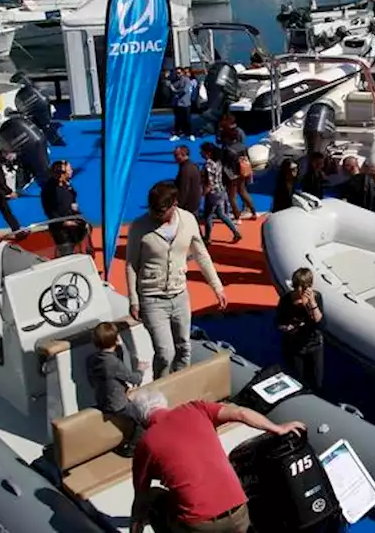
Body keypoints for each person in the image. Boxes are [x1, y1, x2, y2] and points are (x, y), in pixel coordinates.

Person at [128, 389, 305, 533]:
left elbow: (141, 496)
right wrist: (277, 428)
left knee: (153, 496)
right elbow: (241, 413)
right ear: (164, 404)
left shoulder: (146, 443)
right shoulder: (196, 408)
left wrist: (135, 527)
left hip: (200, 526)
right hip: (239, 516)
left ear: (141, 419)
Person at [126, 181, 226, 377]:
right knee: (165, 353)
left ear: (174, 204)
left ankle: (181, 391)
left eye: (161, 211)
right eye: (153, 211)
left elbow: (201, 255)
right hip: (152, 298)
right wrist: (134, 299)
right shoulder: (139, 227)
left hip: (180, 295)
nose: (156, 216)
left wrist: (217, 287)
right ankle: (160, 390)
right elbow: (131, 264)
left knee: (184, 348)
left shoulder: (188, 220)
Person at [86, 321, 149, 457]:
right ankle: (131, 448)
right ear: (116, 340)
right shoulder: (113, 363)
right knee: (142, 419)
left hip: (102, 399)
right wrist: (140, 369)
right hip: (117, 404)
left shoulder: (92, 360)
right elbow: (135, 379)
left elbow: (94, 381)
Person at [275, 268, 325, 391]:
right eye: (296, 287)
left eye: (302, 288)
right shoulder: (286, 300)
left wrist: (312, 304)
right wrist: (287, 328)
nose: (298, 291)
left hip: (313, 345)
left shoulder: (316, 298)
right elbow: (278, 322)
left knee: (316, 382)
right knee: (296, 379)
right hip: (293, 346)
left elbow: (320, 323)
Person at [42, 160, 91, 256]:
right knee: (66, 254)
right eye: (69, 170)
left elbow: (73, 203)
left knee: (77, 251)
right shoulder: (50, 189)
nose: (71, 171)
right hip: (61, 230)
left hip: (73, 227)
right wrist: (63, 222)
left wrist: (78, 217)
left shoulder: (67, 185)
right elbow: (49, 210)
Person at [199, 143, 243, 244]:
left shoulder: (208, 165)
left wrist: (202, 194)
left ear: (208, 153)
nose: (200, 153)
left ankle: (208, 237)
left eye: (202, 151)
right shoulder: (218, 162)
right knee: (221, 214)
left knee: (208, 216)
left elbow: (209, 183)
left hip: (213, 194)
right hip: (221, 191)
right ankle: (236, 232)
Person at [216, 114, 257, 220]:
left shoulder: (227, 150)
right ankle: (254, 212)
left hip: (231, 175)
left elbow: (223, 162)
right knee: (243, 192)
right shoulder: (242, 146)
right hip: (242, 172)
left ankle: (237, 216)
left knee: (232, 197)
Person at [173, 145, 203, 215]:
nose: (175, 158)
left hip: (188, 205)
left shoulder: (185, 169)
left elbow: (184, 189)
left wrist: (179, 206)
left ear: (183, 154)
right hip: (195, 201)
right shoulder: (193, 165)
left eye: (176, 155)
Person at [171, 68, 196, 142]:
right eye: (177, 73)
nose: (178, 74)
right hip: (178, 104)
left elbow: (185, 90)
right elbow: (173, 87)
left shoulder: (186, 80)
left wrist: (176, 92)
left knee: (187, 120)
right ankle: (176, 134)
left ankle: (191, 134)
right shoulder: (177, 81)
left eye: (179, 73)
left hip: (186, 103)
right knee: (177, 120)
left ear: (182, 73)